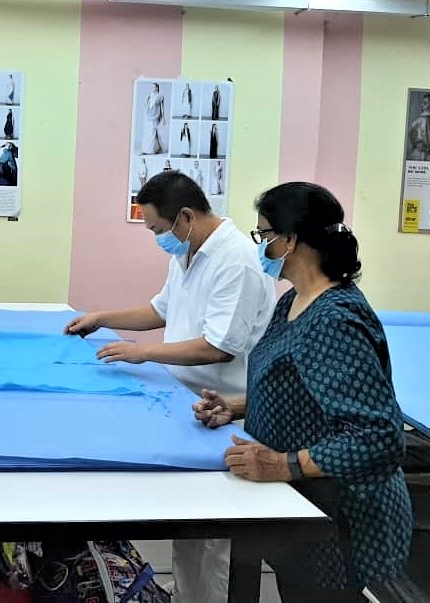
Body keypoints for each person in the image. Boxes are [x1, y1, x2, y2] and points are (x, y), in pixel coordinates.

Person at [194, 182, 412, 602]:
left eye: (264, 235)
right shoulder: (294, 300)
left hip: (341, 521)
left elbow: (378, 438)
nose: (261, 246)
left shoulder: (333, 320)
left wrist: (282, 464)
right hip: (301, 510)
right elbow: (301, 387)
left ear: (291, 240)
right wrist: (237, 407)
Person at [64, 170, 276, 603]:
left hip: (226, 408)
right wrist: (102, 318)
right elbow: (162, 310)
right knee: (189, 522)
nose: (157, 238)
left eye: (157, 229)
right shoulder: (187, 251)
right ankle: (188, 595)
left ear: (186, 216)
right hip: (186, 403)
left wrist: (143, 352)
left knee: (217, 536)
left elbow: (219, 347)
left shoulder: (236, 261)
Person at [141, 83, 165, 155]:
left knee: (152, 132)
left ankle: (150, 150)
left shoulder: (160, 96)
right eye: (152, 87)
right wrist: (147, 99)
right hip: (148, 116)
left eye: (154, 87)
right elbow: (146, 104)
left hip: (155, 116)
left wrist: (163, 117)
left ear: (157, 88)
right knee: (147, 133)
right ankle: (147, 149)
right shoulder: (150, 95)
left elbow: (162, 107)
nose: (152, 89)